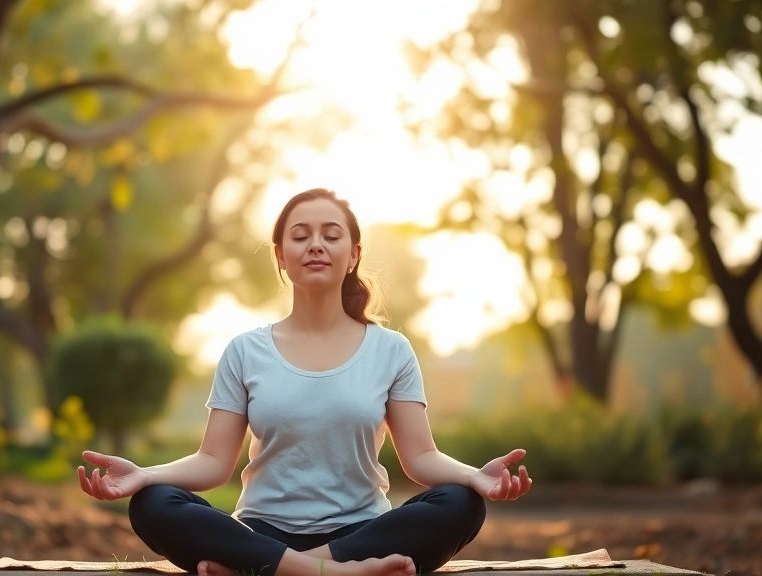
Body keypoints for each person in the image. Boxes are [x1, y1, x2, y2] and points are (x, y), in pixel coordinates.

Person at [77, 188, 533, 576]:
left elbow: (420, 457)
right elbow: (214, 461)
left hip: (360, 532)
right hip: (262, 529)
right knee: (152, 505)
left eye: (331, 236)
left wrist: (475, 477)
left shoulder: (391, 350)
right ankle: (333, 574)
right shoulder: (245, 350)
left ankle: (274, 569)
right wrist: (144, 476)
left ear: (353, 254)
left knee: (462, 503)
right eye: (300, 236)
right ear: (281, 256)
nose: (316, 245)